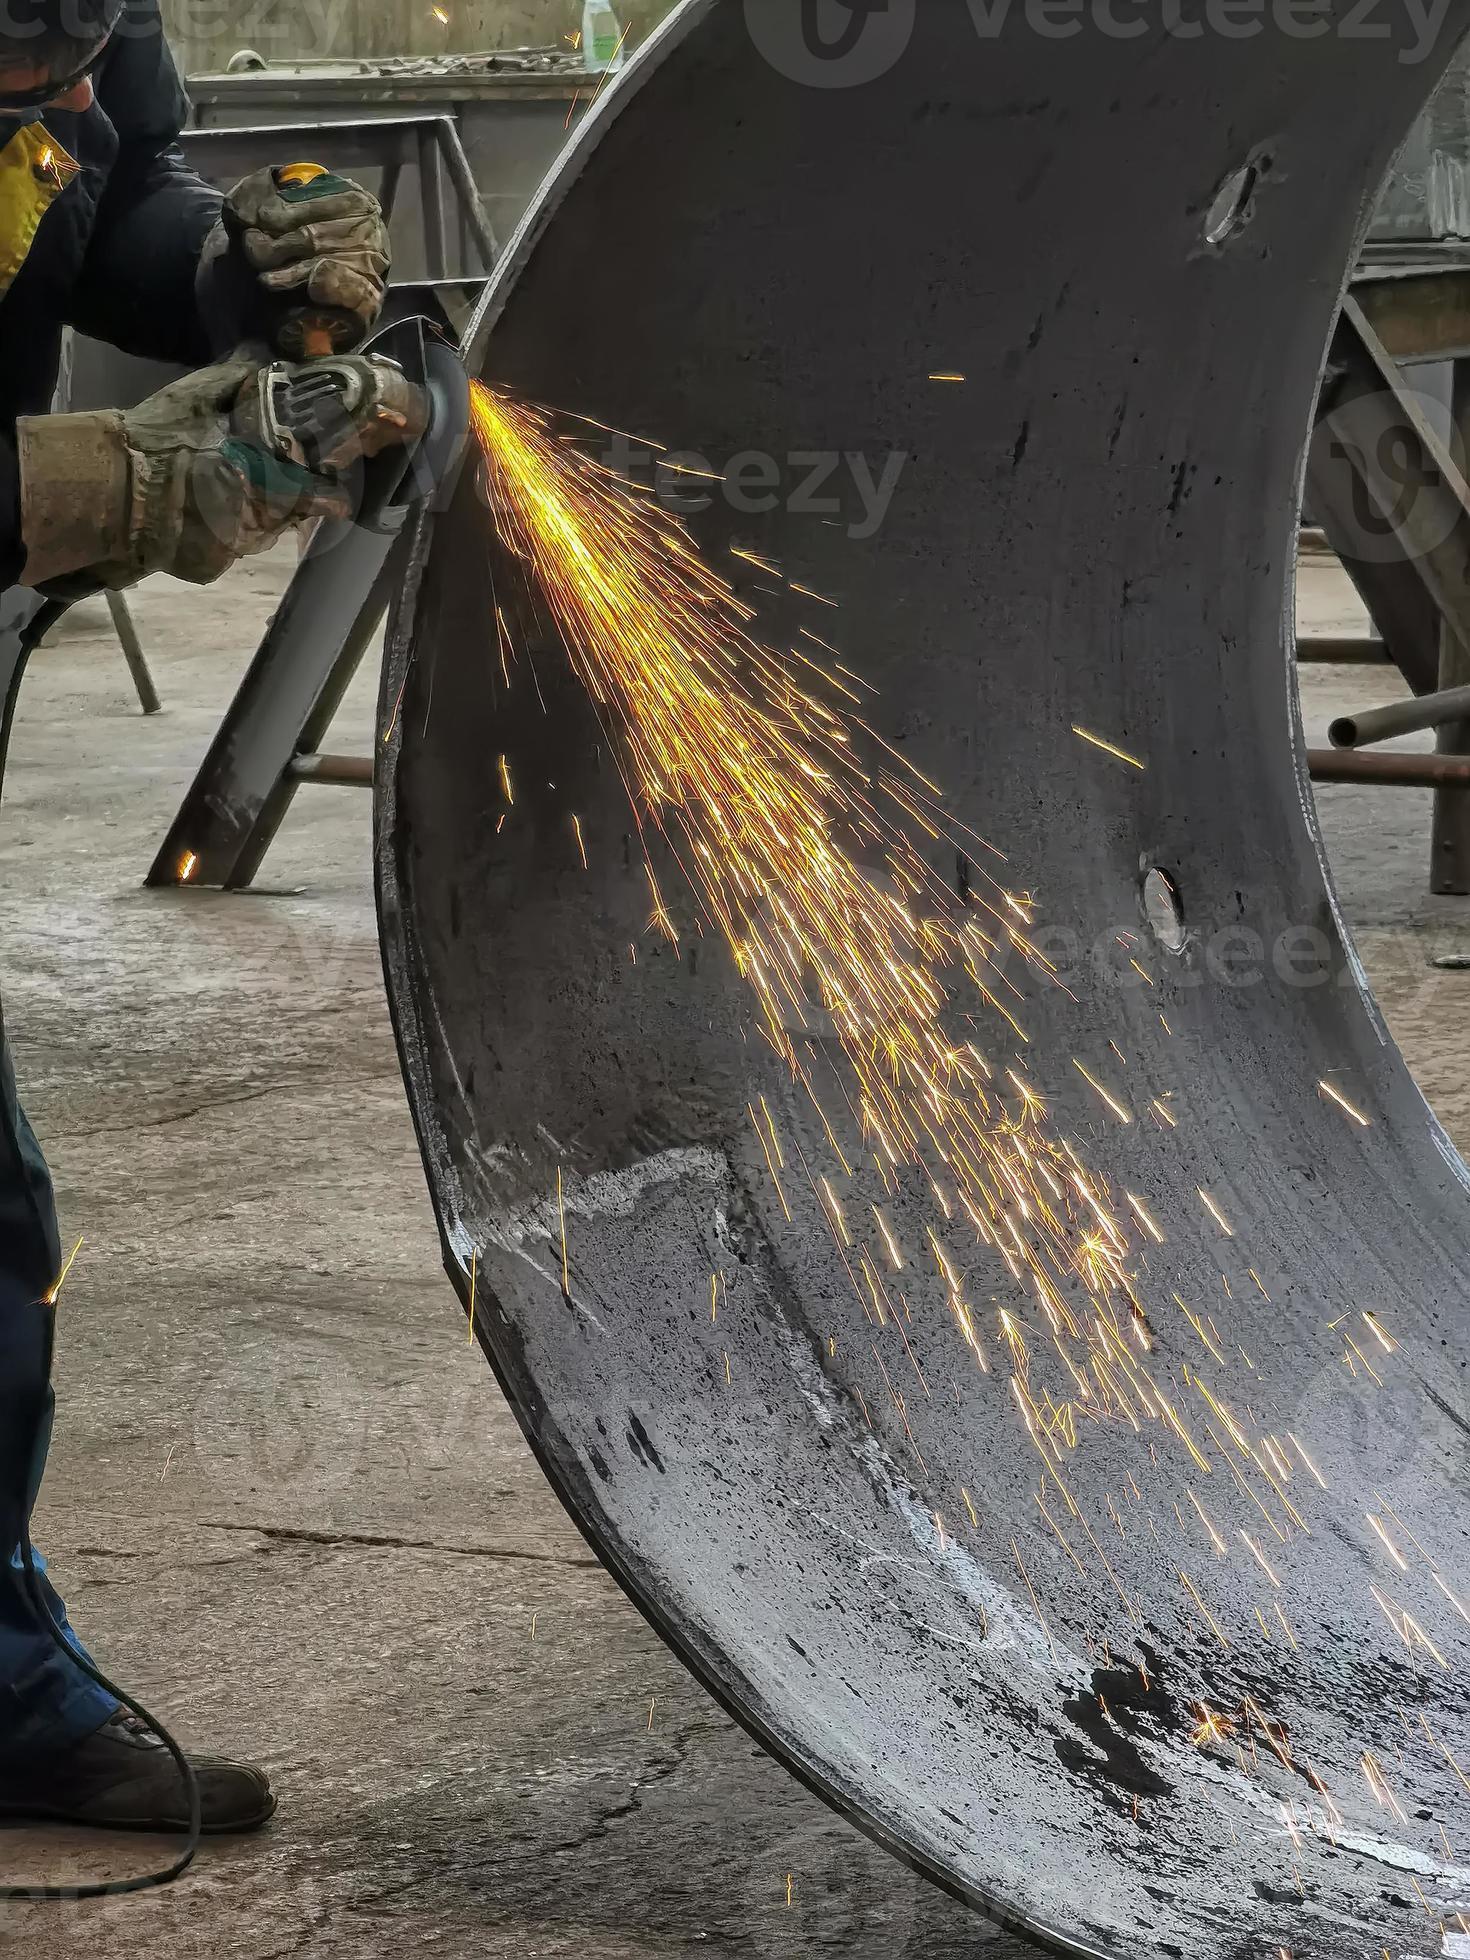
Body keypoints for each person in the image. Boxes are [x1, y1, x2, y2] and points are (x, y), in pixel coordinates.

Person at [0, 0, 405, 1836]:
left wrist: (238, 271)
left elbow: (118, 178)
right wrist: (85, 486)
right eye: (24, 43)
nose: (75, 76)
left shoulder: (85, 46)